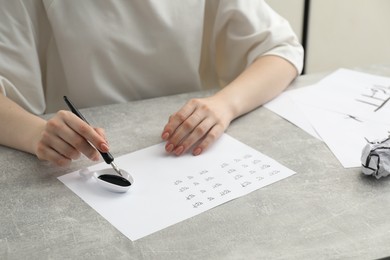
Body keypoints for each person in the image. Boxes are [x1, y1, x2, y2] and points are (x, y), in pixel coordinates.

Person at [0, 1, 303, 167]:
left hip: (187, 157)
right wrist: (37, 133)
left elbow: (282, 50)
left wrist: (224, 105)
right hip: (80, 163)